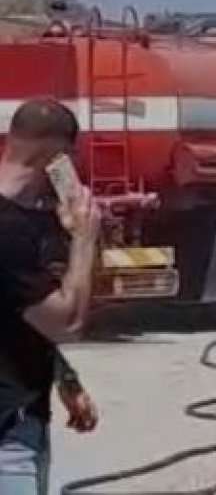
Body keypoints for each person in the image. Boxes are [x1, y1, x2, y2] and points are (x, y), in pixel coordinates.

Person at [0, 98, 101, 494]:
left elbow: (13, 313)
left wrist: (65, 378)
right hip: (8, 432)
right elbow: (67, 322)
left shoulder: (22, 220)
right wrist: (84, 239)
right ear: (57, 155)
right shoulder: (9, 230)